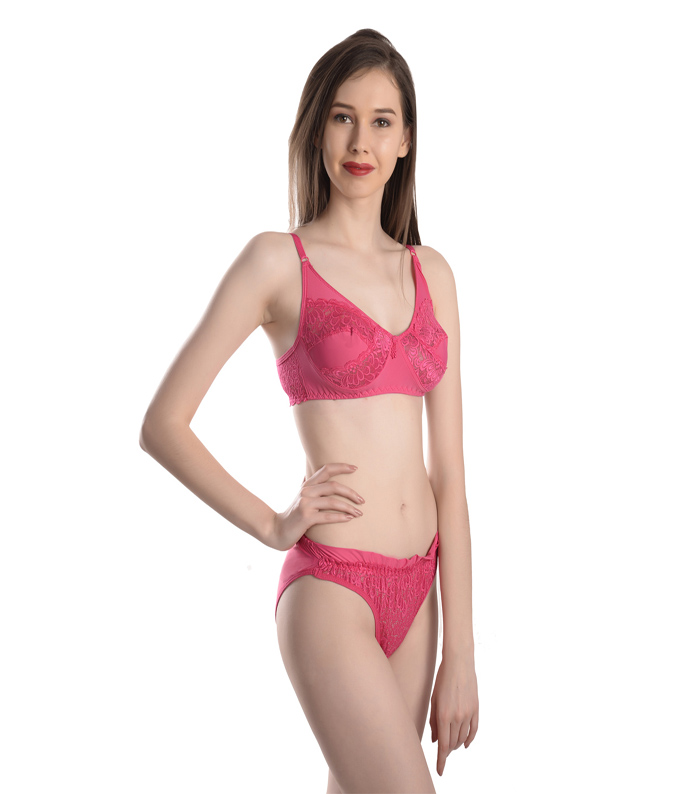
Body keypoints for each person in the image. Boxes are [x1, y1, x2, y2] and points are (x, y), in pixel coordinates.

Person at [140, 28, 478, 793]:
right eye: (342, 117)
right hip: (332, 591)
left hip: (418, 593)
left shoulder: (433, 273)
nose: (361, 141)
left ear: (406, 139)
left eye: (381, 120)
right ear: (316, 128)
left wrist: (462, 650)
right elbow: (163, 424)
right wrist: (273, 524)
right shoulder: (276, 261)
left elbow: (451, 477)